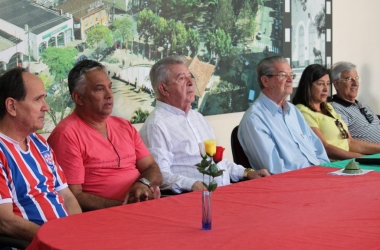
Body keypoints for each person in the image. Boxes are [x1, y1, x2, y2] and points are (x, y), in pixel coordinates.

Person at [139, 56, 269, 194]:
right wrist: (192, 184)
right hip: (192, 201)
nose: (191, 82)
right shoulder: (156, 125)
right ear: (164, 89)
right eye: (182, 78)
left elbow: (218, 162)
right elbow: (159, 175)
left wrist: (246, 173)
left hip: (225, 193)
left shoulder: (198, 118)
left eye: (190, 77)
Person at [48, 60, 162, 211]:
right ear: (78, 98)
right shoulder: (66, 135)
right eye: (99, 89)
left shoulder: (124, 126)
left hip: (144, 208)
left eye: (110, 87)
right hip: (105, 217)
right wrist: (125, 207)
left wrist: (143, 183)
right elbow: (72, 196)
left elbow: (152, 167)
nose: (109, 95)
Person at [0, 68, 81, 242]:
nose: (46, 107)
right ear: (12, 106)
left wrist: (78, 232)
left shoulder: (39, 143)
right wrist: (56, 239)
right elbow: (4, 221)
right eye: (38, 100)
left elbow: (67, 196)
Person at [238, 56, 329, 174]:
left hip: (319, 174)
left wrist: (325, 171)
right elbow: (275, 170)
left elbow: (318, 149)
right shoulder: (254, 119)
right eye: (282, 75)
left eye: (291, 75)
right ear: (265, 81)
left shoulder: (293, 110)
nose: (290, 80)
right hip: (294, 184)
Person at [292, 64, 380, 160]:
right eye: (320, 84)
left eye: (327, 84)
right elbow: (324, 148)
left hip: (349, 160)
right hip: (333, 163)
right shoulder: (303, 111)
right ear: (307, 86)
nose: (326, 89)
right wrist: (364, 158)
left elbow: (350, 142)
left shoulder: (327, 107)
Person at [330, 61, 380, 143]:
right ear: (336, 84)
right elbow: (347, 143)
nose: (355, 83)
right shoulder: (336, 109)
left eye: (356, 79)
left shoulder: (363, 105)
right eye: (349, 79)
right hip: (372, 154)